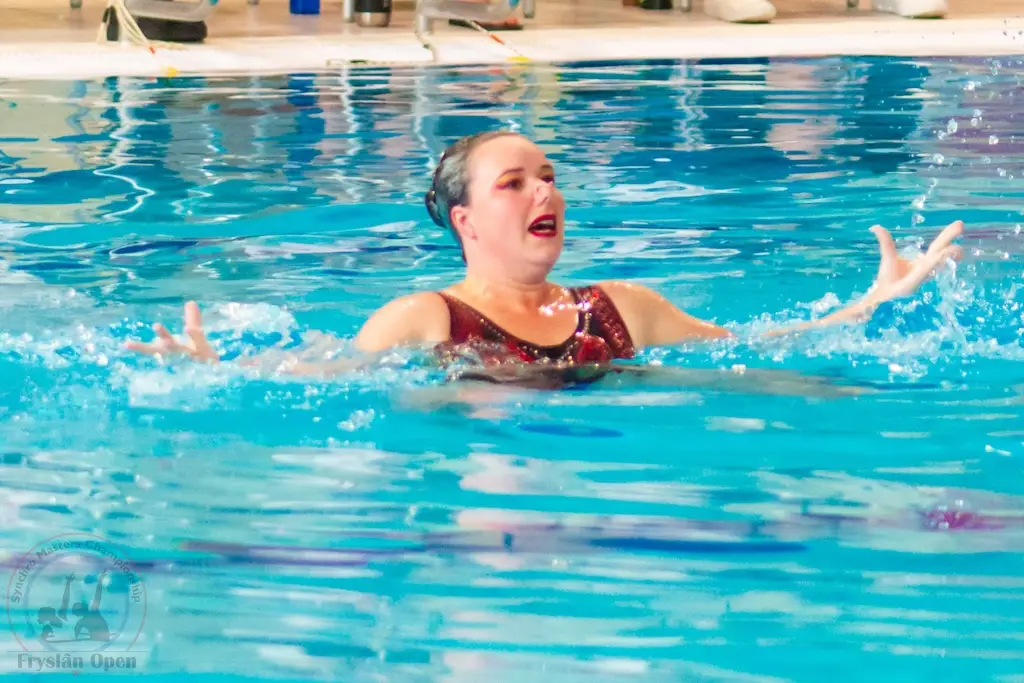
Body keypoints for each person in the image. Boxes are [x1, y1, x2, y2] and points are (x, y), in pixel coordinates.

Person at [125, 130, 964, 379]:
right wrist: (213, 370)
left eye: (551, 178)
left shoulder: (619, 307)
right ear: (464, 221)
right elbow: (324, 374)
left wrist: (870, 306)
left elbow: (748, 349)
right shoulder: (427, 317)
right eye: (515, 183)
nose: (544, 194)